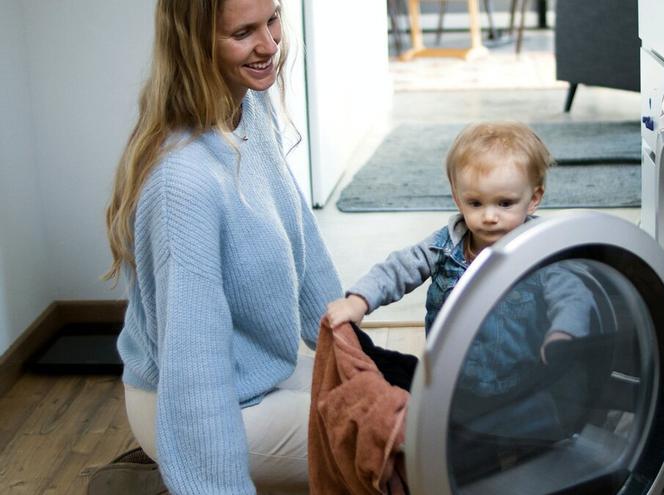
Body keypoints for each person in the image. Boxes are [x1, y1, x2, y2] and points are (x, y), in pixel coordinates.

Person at [104, 0, 341, 493]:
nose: (270, 45)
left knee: (405, 395)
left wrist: (350, 352)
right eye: (243, 33)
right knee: (405, 436)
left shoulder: (248, 106)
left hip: (258, 373)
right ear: (195, 44)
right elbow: (194, 371)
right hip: (196, 404)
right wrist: (213, 482)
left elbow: (303, 240)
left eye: (273, 19)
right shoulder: (183, 181)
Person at [322, 121, 594, 386]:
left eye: (505, 203)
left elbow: (572, 294)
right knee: (385, 375)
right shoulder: (445, 246)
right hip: (448, 382)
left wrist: (564, 334)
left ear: (533, 199)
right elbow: (398, 268)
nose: (489, 216)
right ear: (457, 198)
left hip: (521, 385)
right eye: (475, 203)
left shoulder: (542, 250)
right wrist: (359, 300)